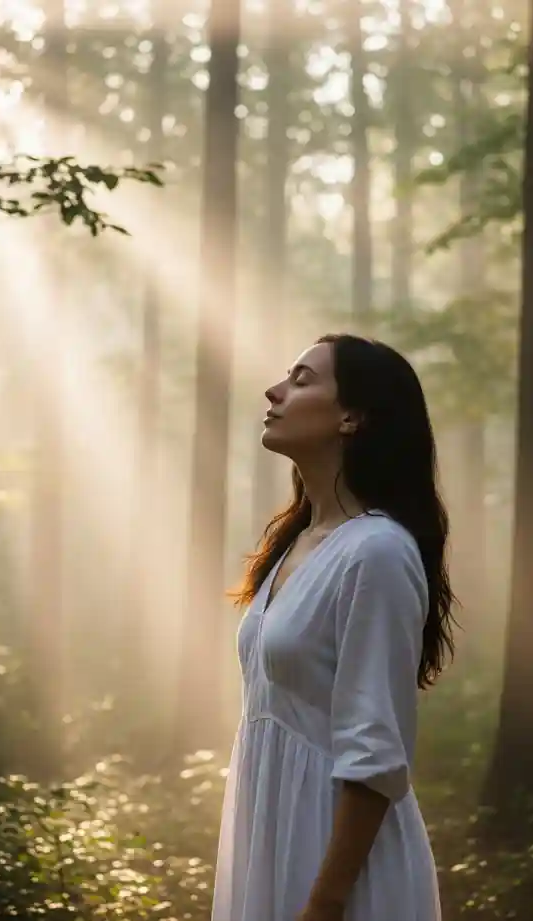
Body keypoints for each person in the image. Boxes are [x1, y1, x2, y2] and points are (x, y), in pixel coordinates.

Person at [210, 333, 455, 921]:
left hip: (336, 866)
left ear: (352, 417)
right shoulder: (296, 544)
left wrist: (324, 903)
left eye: (301, 380)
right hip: (273, 834)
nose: (273, 391)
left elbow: (375, 749)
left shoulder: (377, 552)